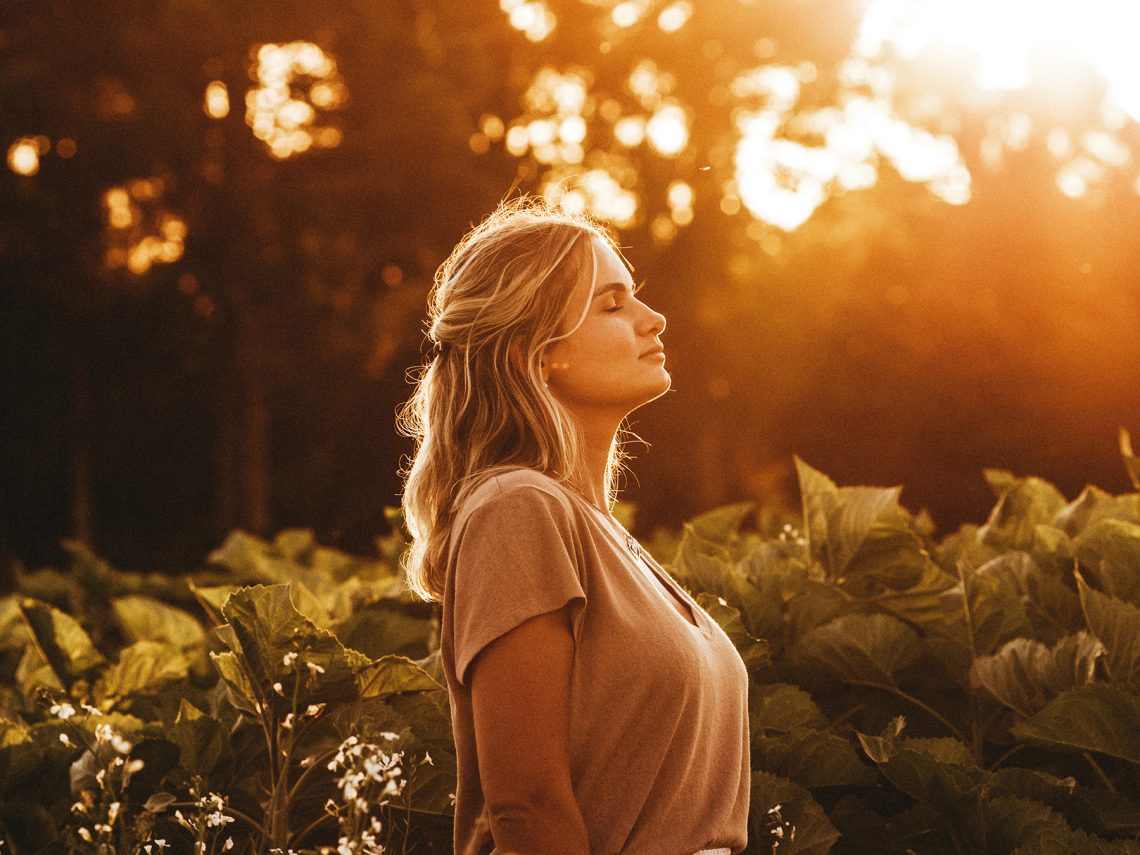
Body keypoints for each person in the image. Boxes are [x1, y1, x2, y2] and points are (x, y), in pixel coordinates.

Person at [398, 196, 750, 855]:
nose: (654, 319)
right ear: (539, 350)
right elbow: (527, 806)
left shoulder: (604, 535)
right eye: (613, 304)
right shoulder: (515, 508)